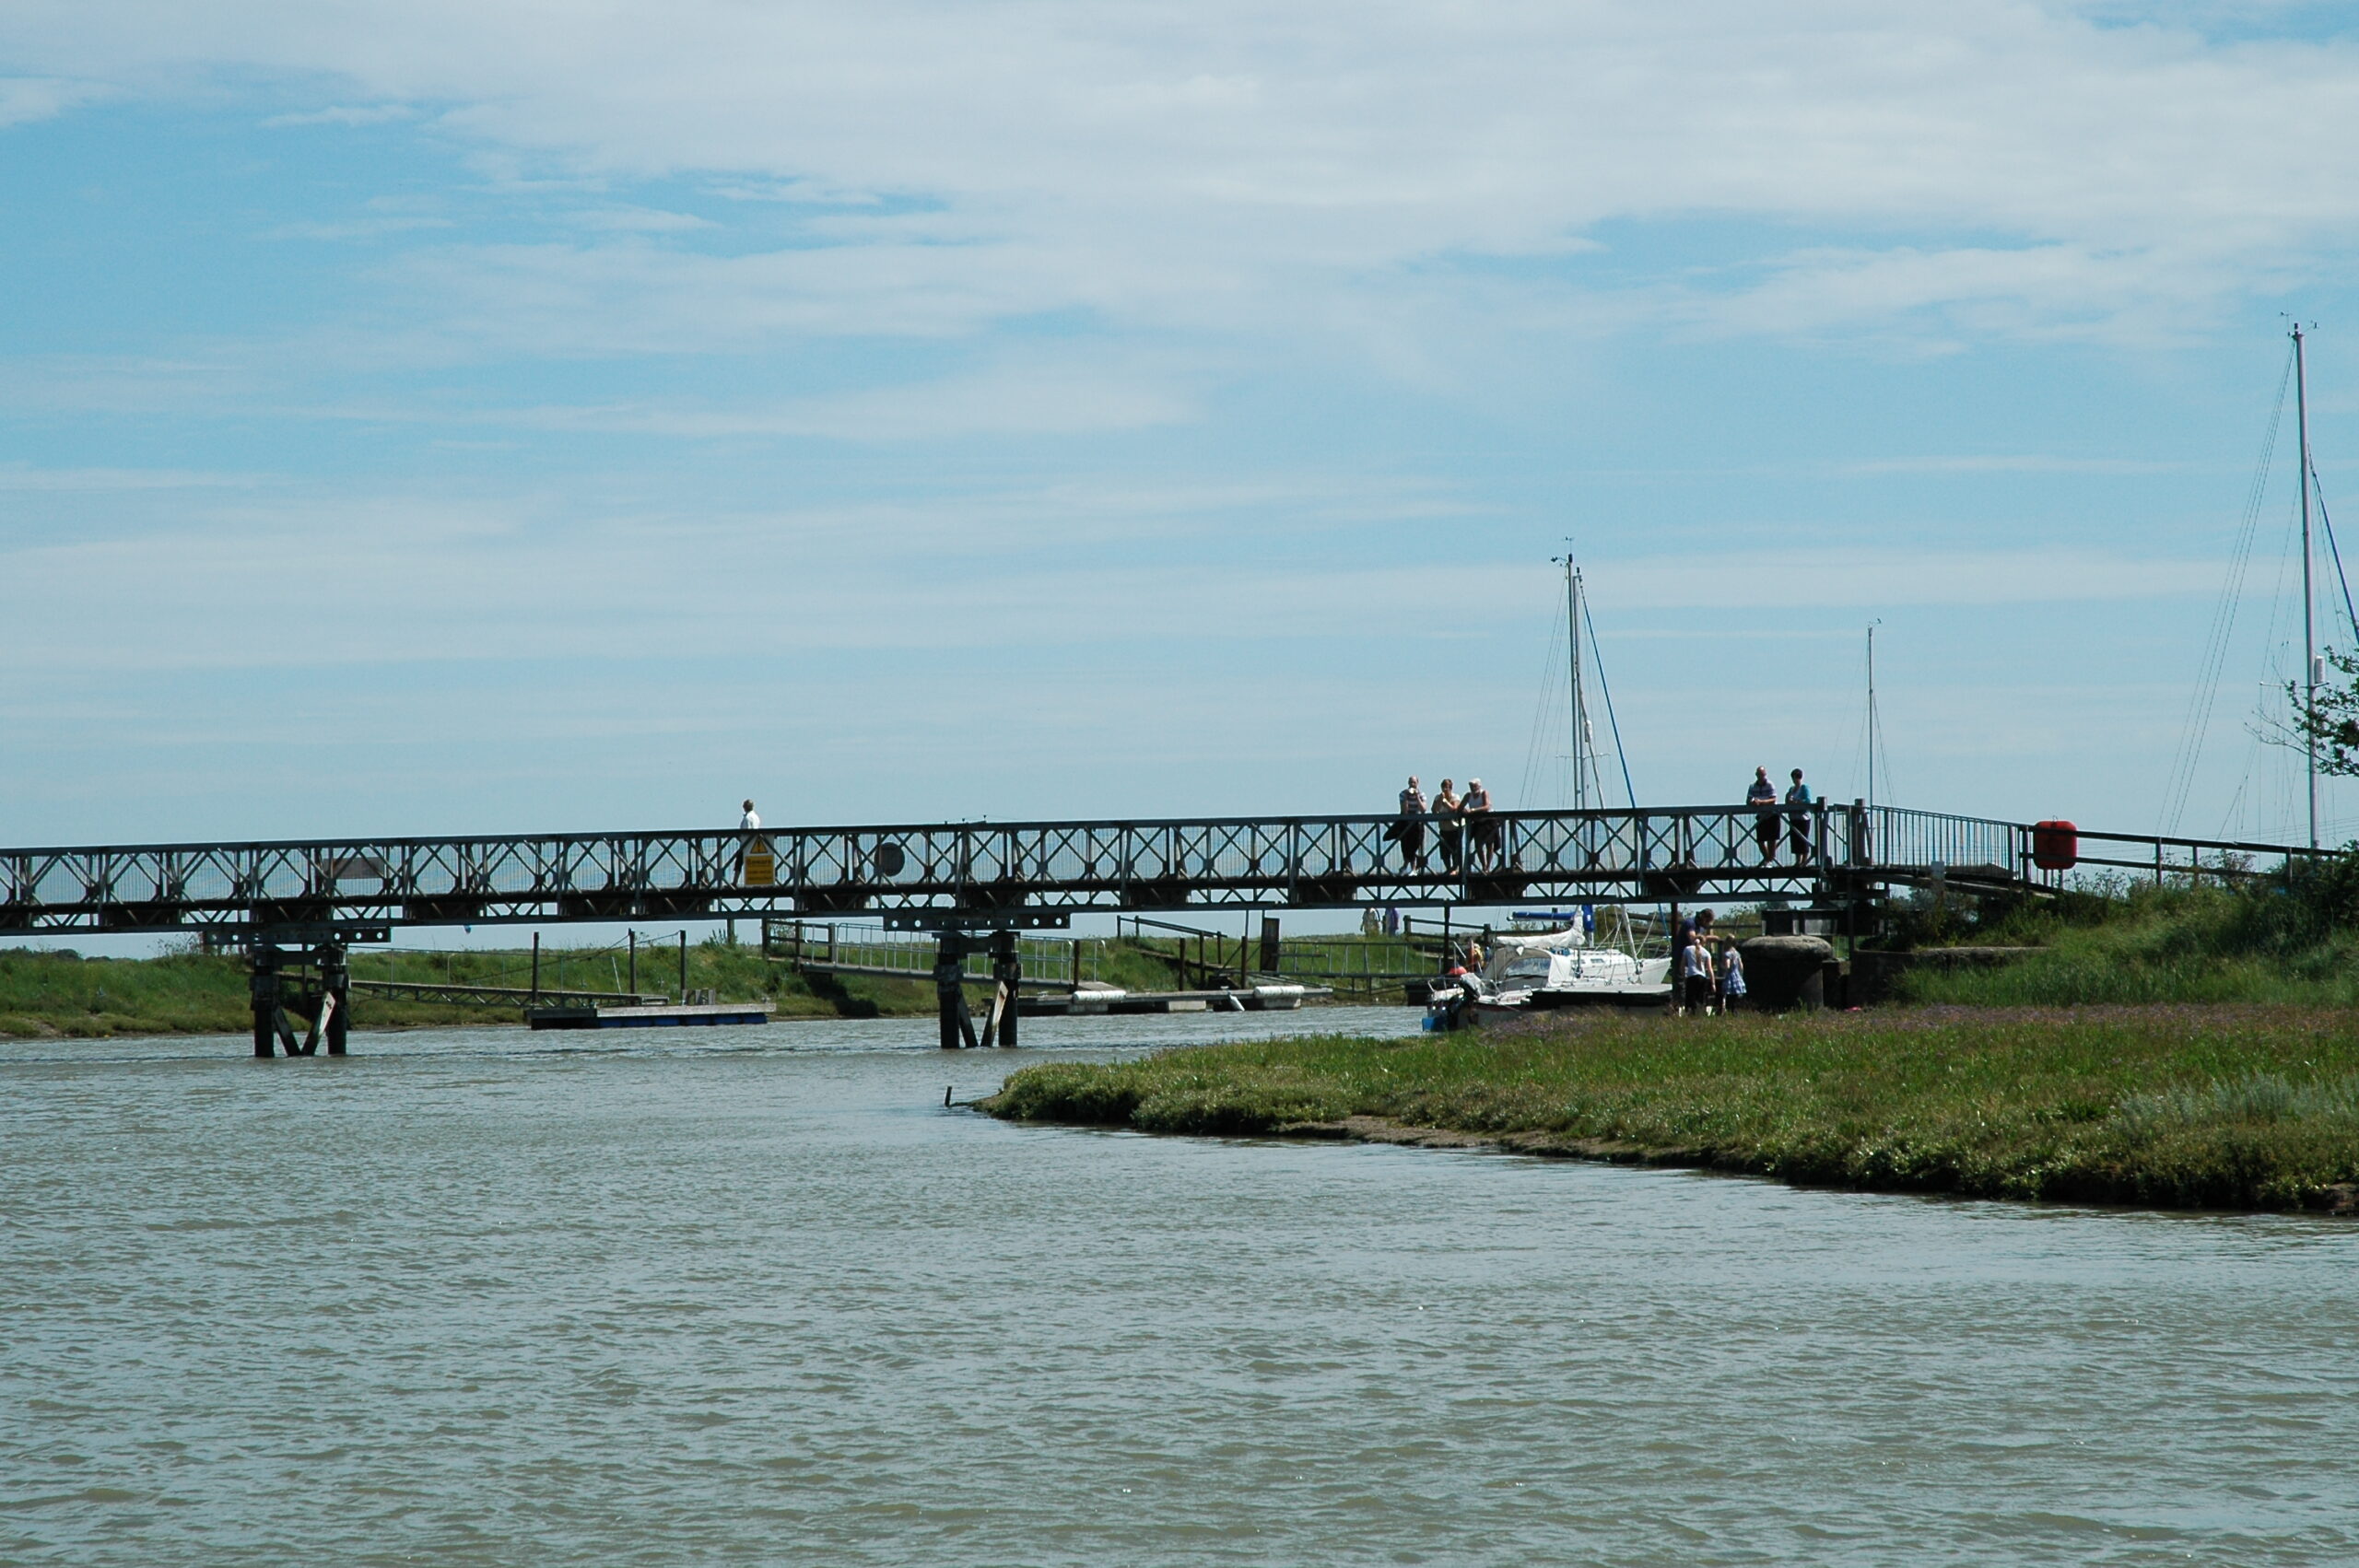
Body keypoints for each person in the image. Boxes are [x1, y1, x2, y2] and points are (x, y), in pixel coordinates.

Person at [1392, 776, 1429, 872]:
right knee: (1405, 845)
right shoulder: (1403, 794)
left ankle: (1411, 867)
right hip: (1406, 823)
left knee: (1415, 845)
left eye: (1414, 782)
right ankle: (1407, 865)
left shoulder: (1422, 794)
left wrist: (1417, 797)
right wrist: (1406, 798)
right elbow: (1404, 811)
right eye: (1411, 782)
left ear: (1417, 783)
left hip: (1417, 823)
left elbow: (1423, 809)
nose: (1412, 784)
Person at [1747, 766, 1779, 864]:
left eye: (1763, 774)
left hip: (1772, 815)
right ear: (1756, 775)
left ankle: (1770, 860)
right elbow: (1748, 800)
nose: (1761, 776)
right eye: (1759, 774)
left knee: (1771, 840)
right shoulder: (1752, 786)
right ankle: (1767, 859)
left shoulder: (1770, 785)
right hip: (1761, 816)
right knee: (1760, 840)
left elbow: (1773, 799)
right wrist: (1753, 802)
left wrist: (1761, 802)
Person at [1463, 778, 1497, 871]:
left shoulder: (1484, 793)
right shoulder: (1468, 795)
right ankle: (1484, 865)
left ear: (1479, 786)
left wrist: (1473, 810)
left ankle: (1488, 866)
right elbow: (1460, 807)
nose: (1473, 788)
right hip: (1477, 822)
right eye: (1471, 786)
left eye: (1475, 786)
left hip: (1489, 820)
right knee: (1478, 845)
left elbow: (1487, 807)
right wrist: (1463, 811)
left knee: (1489, 844)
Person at [1434, 779, 1465, 874]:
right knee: (1444, 849)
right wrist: (1440, 801)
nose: (1444, 789)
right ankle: (1448, 868)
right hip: (1444, 828)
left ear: (1450, 788)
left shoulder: (1455, 797)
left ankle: (1455, 868)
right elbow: (1434, 810)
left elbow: (1454, 809)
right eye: (1443, 787)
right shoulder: (1438, 798)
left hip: (1455, 827)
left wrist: (1445, 802)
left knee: (1455, 848)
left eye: (1446, 787)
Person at [1681, 931, 1716, 1016]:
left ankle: (1690, 1016)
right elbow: (1710, 969)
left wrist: (1684, 978)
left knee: (1690, 1000)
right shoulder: (1707, 953)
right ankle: (1699, 1015)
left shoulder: (1687, 949)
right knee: (1700, 1000)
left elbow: (1682, 966)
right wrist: (1713, 983)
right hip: (1702, 978)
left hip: (1691, 976)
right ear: (1703, 942)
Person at [1785, 768, 1814, 863]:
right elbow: (1787, 801)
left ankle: (1804, 861)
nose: (1795, 780)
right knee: (1795, 840)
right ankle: (1798, 861)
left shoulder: (1804, 788)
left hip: (1803, 818)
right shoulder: (1791, 789)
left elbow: (1808, 800)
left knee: (1803, 839)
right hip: (1794, 817)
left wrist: (1797, 802)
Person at [1717, 938, 1746, 1012]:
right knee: (1735, 997)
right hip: (1737, 975)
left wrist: (1722, 967)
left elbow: (1727, 966)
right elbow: (1741, 966)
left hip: (1730, 975)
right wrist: (1740, 974)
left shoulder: (1728, 954)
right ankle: (1734, 1011)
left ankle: (1728, 1010)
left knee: (1728, 994)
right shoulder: (1737, 953)